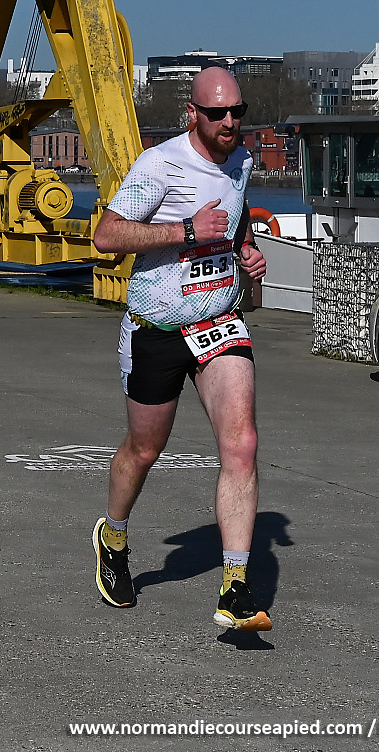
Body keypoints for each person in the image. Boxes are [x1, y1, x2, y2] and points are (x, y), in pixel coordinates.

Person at [92, 66, 271, 632]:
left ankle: (236, 587)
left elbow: (234, 222)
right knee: (144, 450)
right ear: (192, 113)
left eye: (237, 112)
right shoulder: (160, 166)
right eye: (217, 113)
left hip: (218, 322)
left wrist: (246, 253)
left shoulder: (242, 161)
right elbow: (107, 236)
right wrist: (185, 232)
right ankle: (113, 536)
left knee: (242, 444)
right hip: (157, 328)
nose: (229, 122)